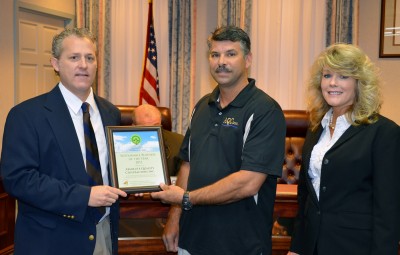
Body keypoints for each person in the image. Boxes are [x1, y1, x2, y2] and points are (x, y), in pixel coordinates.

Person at [151, 26, 286, 255]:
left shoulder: (266, 110)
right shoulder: (202, 106)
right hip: (191, 241)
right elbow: (188, 164)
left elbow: (248, 182)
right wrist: (175, 217)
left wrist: (185, 198)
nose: (221, 61)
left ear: (248, 59)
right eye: (215, 55)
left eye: (230, 54)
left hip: (240, 244)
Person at [0, 28, 127, 255]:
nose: (83, 65)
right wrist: (84, 196)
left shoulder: (111, 113)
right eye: (74, 57)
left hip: (104, 235)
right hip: (51, 241)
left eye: (90, 57)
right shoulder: (26, 115)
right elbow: (18, 179)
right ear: (56, 64)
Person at [288, 44, 400, 255]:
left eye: (343, 76)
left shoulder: (384, 133)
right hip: (312, 246)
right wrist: (297, 247)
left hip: (356, 247)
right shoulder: (315, 129)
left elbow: (388, 212)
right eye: (327, 75)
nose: (332, 83)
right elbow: (305, 198)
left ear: (359, 83)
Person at [132, 104, 184, 176]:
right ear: (133, 126)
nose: (152, 132)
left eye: (156, 126)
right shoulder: (122, 144)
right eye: (146, 128)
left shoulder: (179, 142)